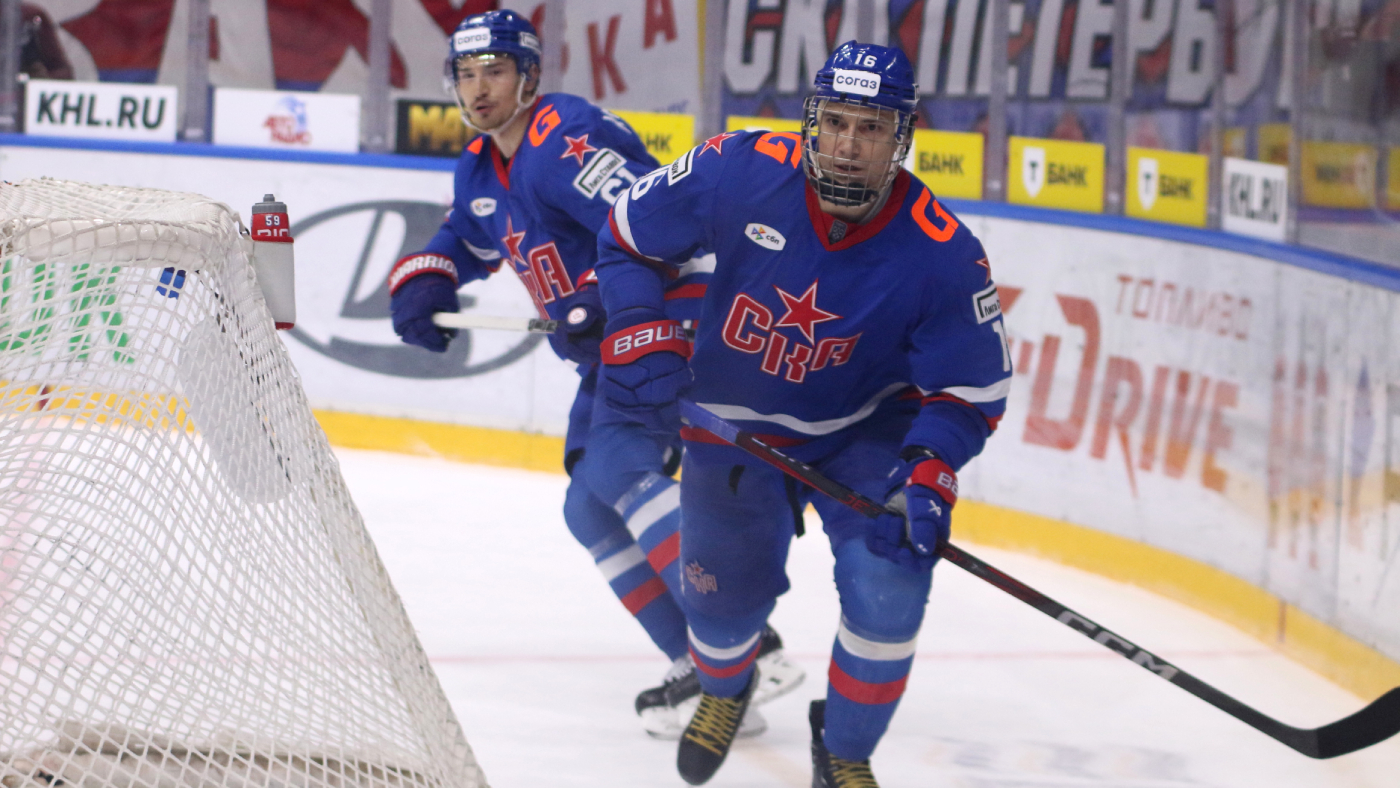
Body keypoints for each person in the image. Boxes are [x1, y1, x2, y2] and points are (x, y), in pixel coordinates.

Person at [593, 42, 1011, 786]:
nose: (848, 146)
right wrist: (634, 321)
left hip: (863, 437)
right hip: (731, 427)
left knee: (891, 591)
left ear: (902, 137)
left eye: (871, 128)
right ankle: (727, 689)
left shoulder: (945, 253)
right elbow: (627, 236)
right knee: (718, 611)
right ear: (812, 120)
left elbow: (969, 390)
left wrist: (930, 469)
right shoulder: (738, 169)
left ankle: (844, 751)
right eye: (837, 122)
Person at [385, 10, 802, 738]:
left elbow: (657, 217)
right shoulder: (481, 164)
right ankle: (710, 673)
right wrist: (429, 274)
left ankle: (746, 643)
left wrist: (602, 291)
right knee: (589, 507)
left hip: (671, 315)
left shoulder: (564, 139)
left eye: (495, 72)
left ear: (529, 75)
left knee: (616, 465)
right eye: (467, 74)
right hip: (611, 343)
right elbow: (466, 234)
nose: (479, 89)